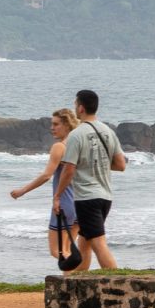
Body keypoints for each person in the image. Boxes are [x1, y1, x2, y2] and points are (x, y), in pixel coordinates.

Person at [59, 87, 127, 271]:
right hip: (106, 196)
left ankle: (118, 282)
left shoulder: (76, 135)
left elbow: (69, 169)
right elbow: (121, 165)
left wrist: (57, 196)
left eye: (75, 104)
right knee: (85, 242)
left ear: (80, 108)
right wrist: (96, 163)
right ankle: (79, 283)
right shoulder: (108, 131)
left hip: (87, 197)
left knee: (98, 243)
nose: (74, 107)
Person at [8, 107, 82, 271]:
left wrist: (22, 191)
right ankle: (71, 287)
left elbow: (47, 175)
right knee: (68, 250)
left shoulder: (59, 147)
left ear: (67, 125)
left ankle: (73, 285)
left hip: (64, 203)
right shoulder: (79, 145)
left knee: (58, 251)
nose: (52, 128)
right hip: (80, 203)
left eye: (56, 124)